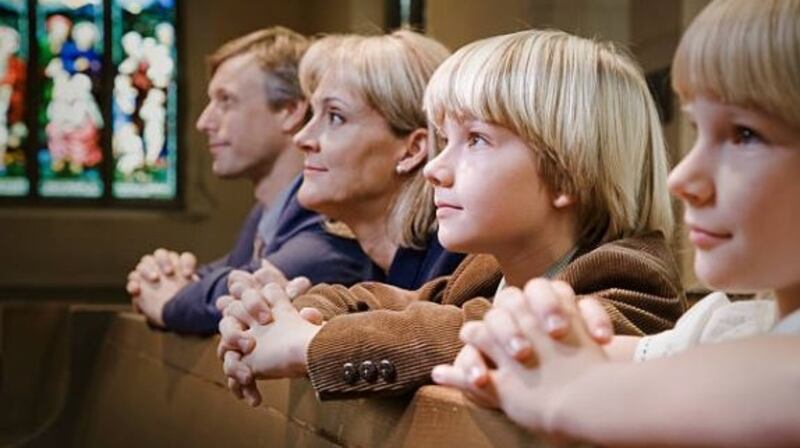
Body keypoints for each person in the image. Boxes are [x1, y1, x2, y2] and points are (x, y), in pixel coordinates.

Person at [217, 28, 686, 404]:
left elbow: (472, 337)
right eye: (443, 141)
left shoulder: (631, 280)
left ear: (567, 175)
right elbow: (382, 303)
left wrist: (306, 345)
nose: (436, 169)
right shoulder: (484, 272)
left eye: (475, 140)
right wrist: (282, 318)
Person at [435, 1, 800, 446]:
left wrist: (572, 389)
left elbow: (772, 382)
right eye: (696, 129)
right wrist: (522, 346)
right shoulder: (724, 330)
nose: (682, 178)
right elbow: (628, 360)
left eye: (744, 135)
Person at [126, 27, 373, 334]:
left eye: (226, 101)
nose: (204, 122)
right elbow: (227, 272)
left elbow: (250, 287)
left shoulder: (329, 211)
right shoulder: (266, 211)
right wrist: (162, 277)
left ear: (289, 110)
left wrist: (170, 301)